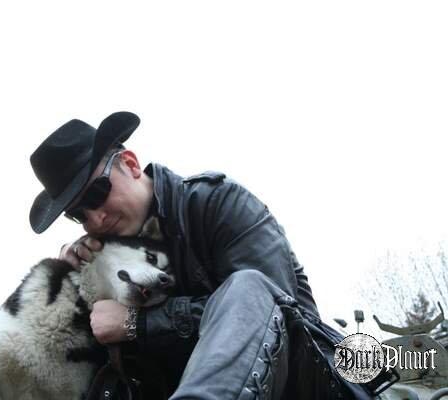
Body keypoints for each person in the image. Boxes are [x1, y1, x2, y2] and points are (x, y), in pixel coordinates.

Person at [28, 112, 388, 399]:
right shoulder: (104, 263)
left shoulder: (219, 204)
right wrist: (75, 290)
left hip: (308, 383)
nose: (95, 219)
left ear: (132, 164)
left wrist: (138, 323)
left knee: (248, 287)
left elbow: (277, 310)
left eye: (96, 194)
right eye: (78, 215)